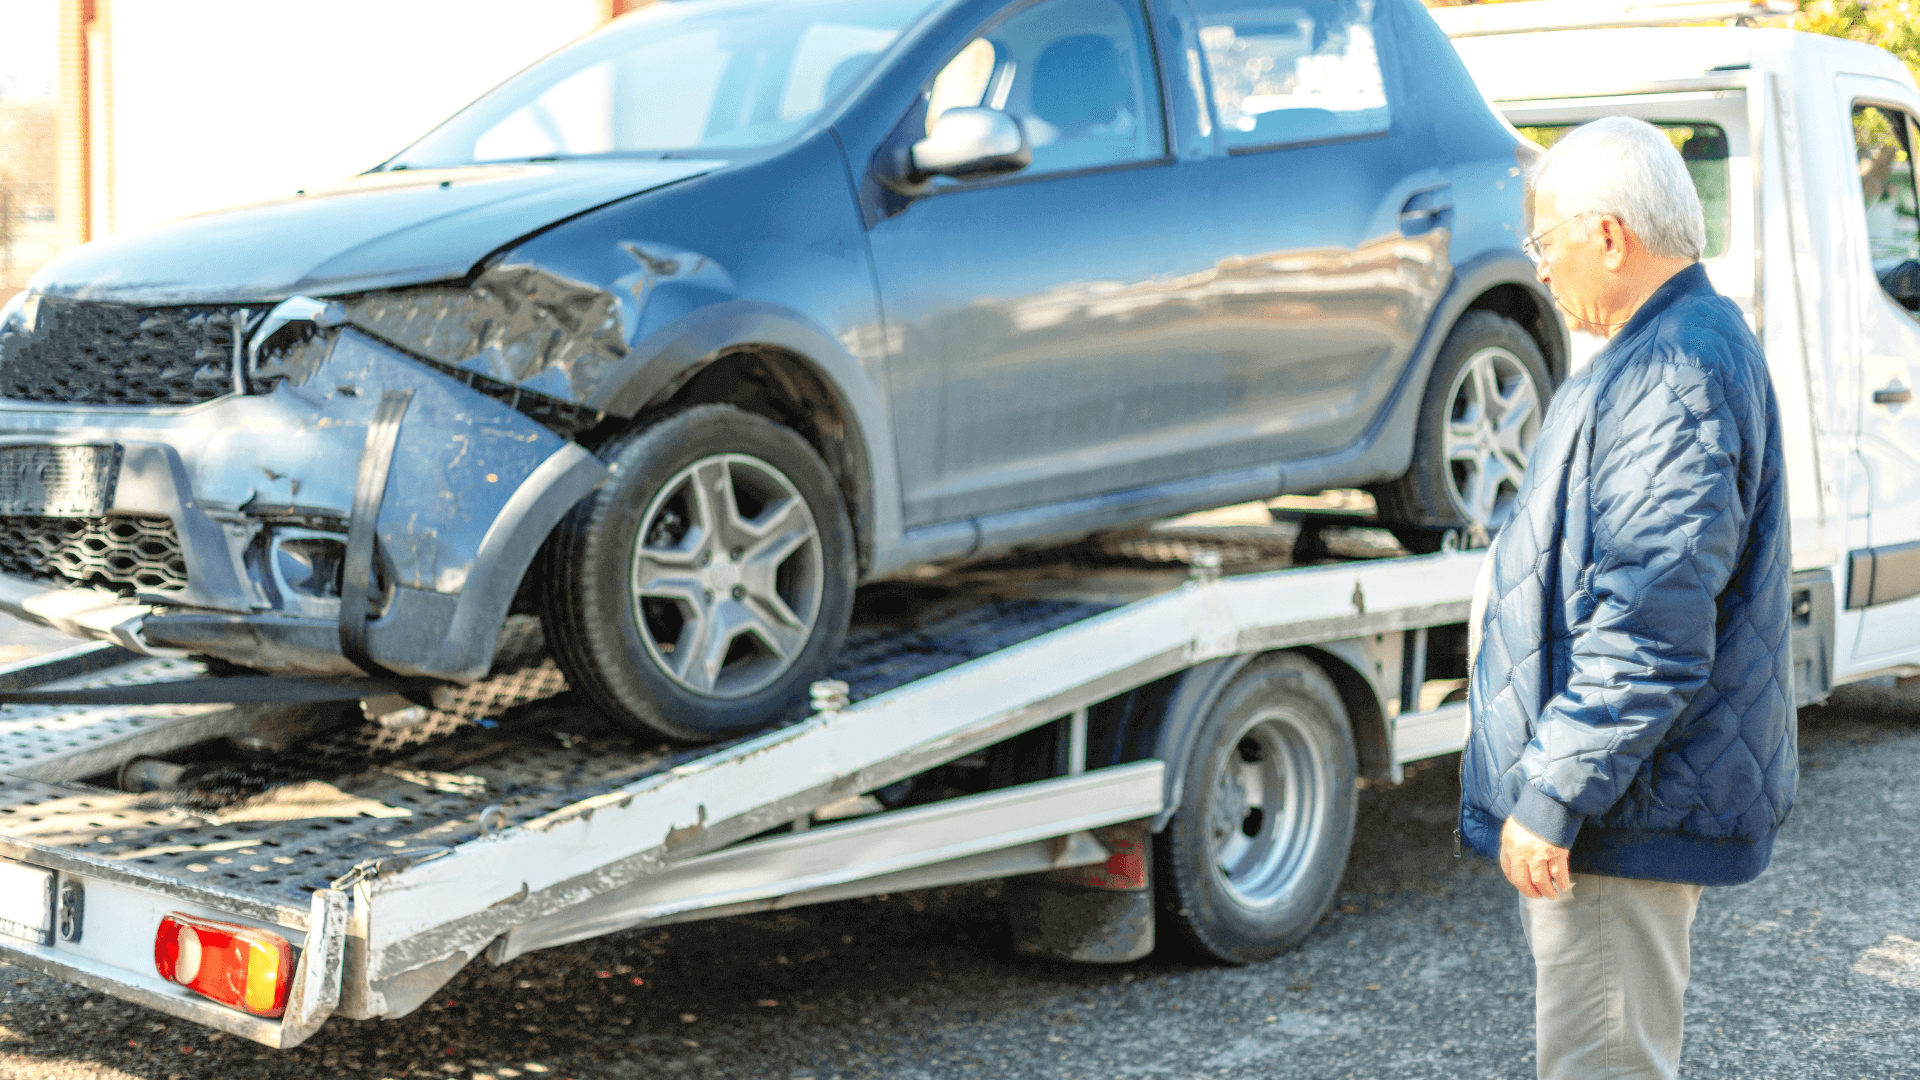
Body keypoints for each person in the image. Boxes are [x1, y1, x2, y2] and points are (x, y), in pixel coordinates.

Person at [1459, 115, 1795, 1080]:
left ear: (1609, 235)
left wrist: (1556, 788)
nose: (1542, 267)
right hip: (1635, 790)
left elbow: (1650, 624)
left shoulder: (1672, 369)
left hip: (1621, 807)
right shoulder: (1676, 346)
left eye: (1546, 240)